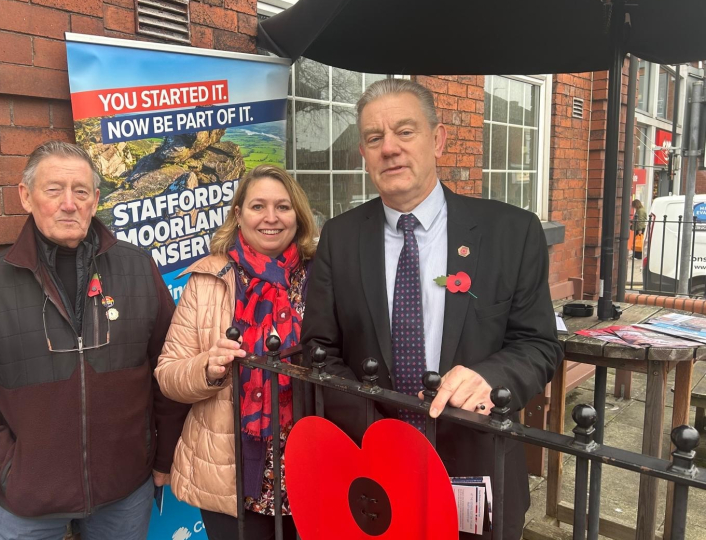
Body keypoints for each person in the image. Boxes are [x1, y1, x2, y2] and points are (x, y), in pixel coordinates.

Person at [301, 79, 563, 540]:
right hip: (373, 477)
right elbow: (318, 352)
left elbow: (539, 345)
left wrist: (491, 376)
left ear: (438, 139)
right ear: (362, 153)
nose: (390, 149)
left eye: (405, 131)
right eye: (374, 138)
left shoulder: (511, 232)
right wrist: (383, 437)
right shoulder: (339, 239)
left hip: (475, 469)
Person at [0, 141, 190, 540]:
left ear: (95, 200)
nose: (68, 204)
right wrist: (6, 470)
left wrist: (163, 454)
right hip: (28, 501)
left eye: (81, 191)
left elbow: (169, 367)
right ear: (26, 196)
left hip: (124, 491)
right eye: (54, 190)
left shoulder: (138, 269)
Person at [154, 165, 318, 540]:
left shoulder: (320, 275)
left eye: (283, 206)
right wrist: (207, 368)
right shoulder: (208, 279)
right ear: (238, 214)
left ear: (298, 215)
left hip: (312, 462)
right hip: (231, 472)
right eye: (258, 206)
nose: (271, 217)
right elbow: (168, 373)